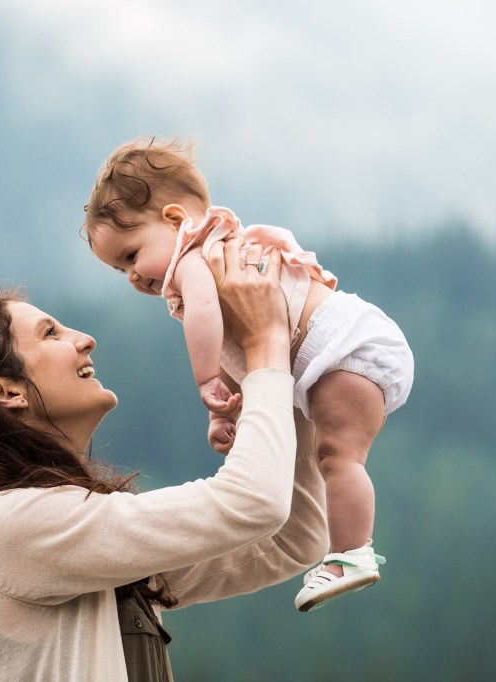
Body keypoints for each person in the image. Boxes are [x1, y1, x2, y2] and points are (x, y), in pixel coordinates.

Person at [0, 239, 328, 681]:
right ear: (6, 390)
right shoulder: (8, 527)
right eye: (51, 334)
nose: (85, 340)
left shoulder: (64, 539)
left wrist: (273, 359)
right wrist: (263, 346)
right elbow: (253, 503)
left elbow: (288, 540)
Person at [82, 136, 414, 612]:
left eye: (132, 255)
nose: (134, 277)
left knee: (338, 457)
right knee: (336, 456)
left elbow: (204, 319)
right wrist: (227, 411)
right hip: (342, 352)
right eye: (120, 271)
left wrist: (204, 382)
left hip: (342, 347)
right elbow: (240, 351)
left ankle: (351, 554)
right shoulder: (217, 255)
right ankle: (347, 552)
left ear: (175, 220)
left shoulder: (194, 260)